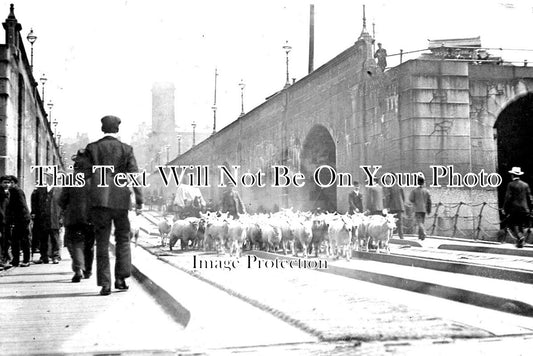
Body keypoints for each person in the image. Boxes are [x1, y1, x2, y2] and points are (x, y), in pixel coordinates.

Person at [85, 115, 143, 296]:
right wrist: (139, 200)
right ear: (117, 129)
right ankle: (121, 278)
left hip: (100, 203)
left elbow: (85, 177)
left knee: (101, 242)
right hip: (120, 201)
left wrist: (90, 199)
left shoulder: (92, 148)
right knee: (123, 239)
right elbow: (134, 176)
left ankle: (105, 284)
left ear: (102, 129)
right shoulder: (126, 149)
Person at [58, 149, 95, 282]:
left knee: (74, 243)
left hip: (73, 218)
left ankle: (78, 268)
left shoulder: (70, 178)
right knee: (89, 246)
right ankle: (88, 270)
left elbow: (62, 200)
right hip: (91, 219)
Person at [31, 176, 62, 264]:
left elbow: (64, 205)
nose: (50, 179)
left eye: (52, 178)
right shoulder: (40, 190)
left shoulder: (60, 190)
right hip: (42, 219)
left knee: (55, 238)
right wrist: (34, 214)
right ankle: (43, 257)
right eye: (48, 178)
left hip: (54, 218)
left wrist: (62, 218)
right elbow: (35, 202)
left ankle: (56, 256)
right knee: (43, 239)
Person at [5, 175, 32, 267]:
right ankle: (16, 260)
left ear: (15, 183)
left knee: (24, 240)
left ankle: (26, 260)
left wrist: (23, 219)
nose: (9, 184)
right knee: (15, 241)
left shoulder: (17, 191)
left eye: (11, 183)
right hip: (17, 219)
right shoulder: (11, 192)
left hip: (22, 219)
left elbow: (22, 206)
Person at [503, 167, 532, 248]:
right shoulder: (525, 185)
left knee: (514, 225)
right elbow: (530, 198)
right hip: (525, 209)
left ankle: (520, 237)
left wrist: (504, 208)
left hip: (514, 209)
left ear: (512, 175)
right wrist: (530, 209)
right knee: (521, 225)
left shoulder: (511, 184)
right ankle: (520, 243)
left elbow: (508, 197)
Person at [409, 175, 432, 240]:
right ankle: (420, 236)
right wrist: (429, 210)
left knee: (419, 222)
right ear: (423, 182)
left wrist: (415, 201)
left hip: (417, 208)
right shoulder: (427, 191)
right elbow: (429, 201)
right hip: (424, 209)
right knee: (422, 222)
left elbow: (411, 199)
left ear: (417, 182)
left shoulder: (414, 191)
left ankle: (423, 232)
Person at [0, 176, 11, 269]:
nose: (7, 184)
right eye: (5, 182)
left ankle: (4, 259)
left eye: (8, 182)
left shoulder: (9, 193)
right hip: (1, 221)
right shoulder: (1, 194)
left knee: (6, 241)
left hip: (6, 222)